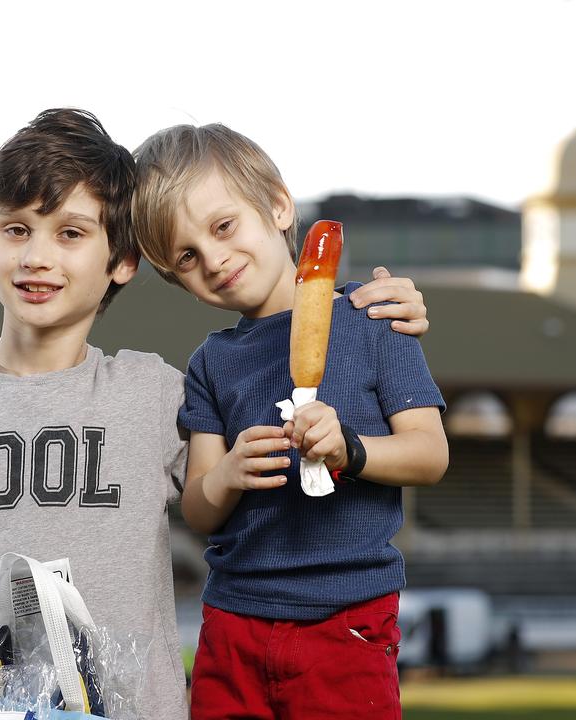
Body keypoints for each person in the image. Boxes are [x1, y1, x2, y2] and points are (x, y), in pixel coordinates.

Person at [0, 108, 432, 720]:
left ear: (122, 262)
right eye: (16, 229)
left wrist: (371, 312)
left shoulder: (155, 391)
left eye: (70, 232)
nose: (38, 256)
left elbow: (278, 386)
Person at [131, 122, 449, 720]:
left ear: (278, 205)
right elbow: (199, 509)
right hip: (233, 622)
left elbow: (430, 455)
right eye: (187, 257)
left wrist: (350, 450)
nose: (215, 259)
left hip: (347, 618)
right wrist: (227, 474)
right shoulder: (212, 362)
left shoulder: (372, 319)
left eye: (224, 227)